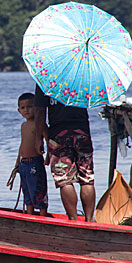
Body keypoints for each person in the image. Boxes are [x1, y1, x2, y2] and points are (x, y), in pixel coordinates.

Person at [33, 85, 96, 221]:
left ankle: (73, 220)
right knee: (87, 179)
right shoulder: (81, 75)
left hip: (58, 135)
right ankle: (89, 220)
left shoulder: (45, 79)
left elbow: (39, 112)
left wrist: (38, 138)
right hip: (82, 132)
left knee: (65, 180)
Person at [7, 92, 49, 216]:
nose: (26, 110)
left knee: (39, 190)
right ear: (19, 110)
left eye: (30, 107)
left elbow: (49, 140)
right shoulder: (23, 126)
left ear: (36, 108)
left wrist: (48, 158)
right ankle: (29, 214)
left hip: (35, 162)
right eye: (23, 108)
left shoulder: (40, 125)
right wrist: (17, 163)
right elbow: (22, 144)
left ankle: (42, 215)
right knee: (27, 191)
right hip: (24, 163)